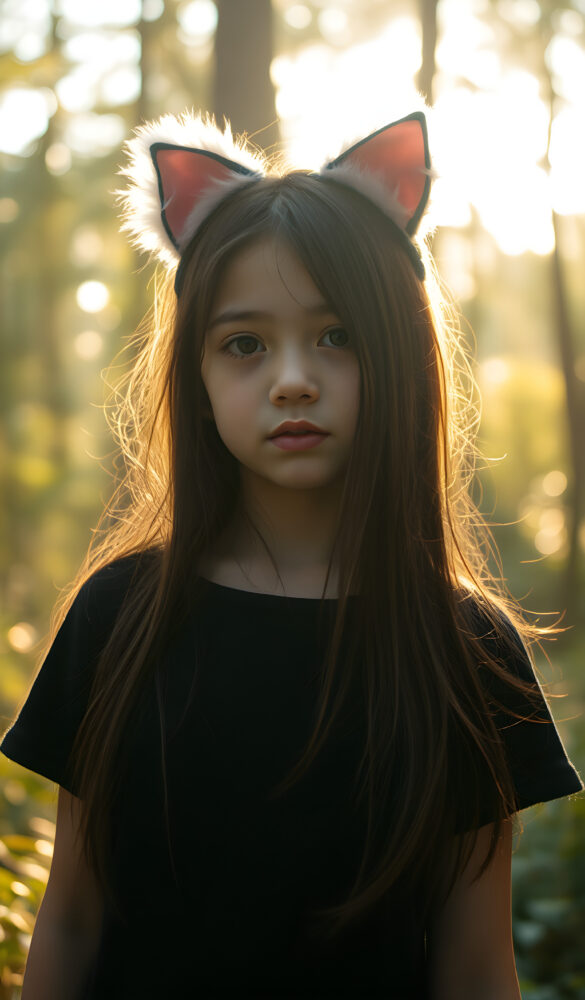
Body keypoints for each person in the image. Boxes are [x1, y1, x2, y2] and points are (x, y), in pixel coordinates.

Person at [1, 108, 582, 1000]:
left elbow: (472, 965)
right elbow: (71, 920)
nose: (292, 378)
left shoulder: (465, 647)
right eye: (244, 344)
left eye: (336, 336)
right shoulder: (118, 616)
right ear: (194, 378)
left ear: (402, 356)